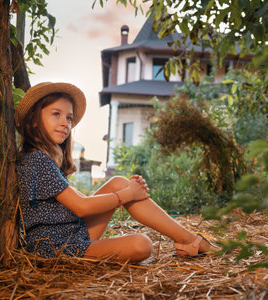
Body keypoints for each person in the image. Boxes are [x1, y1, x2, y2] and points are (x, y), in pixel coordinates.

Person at [15, 82, 219, 263]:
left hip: (70, 233)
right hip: (56, 247)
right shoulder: (37, 159)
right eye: (56, 114)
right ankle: (190, 241)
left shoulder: (44, 159)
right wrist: (128, 195)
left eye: (69, 118)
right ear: (34, 120)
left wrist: (128, 191)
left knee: (120, 182)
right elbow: (81, 207)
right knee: (141, 245)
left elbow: (79, 201)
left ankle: (187, 239)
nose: (65, 123)